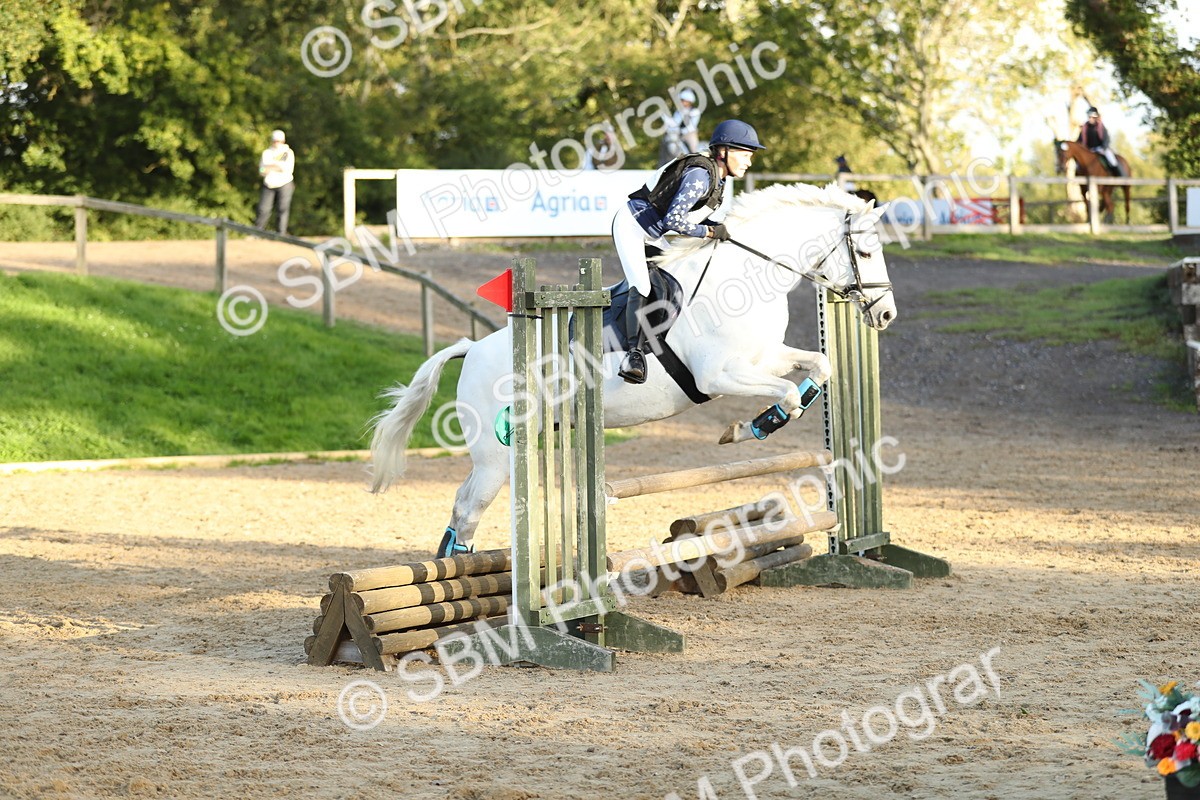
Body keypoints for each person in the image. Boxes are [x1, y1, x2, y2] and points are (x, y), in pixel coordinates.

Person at [613, 119, 765, 384]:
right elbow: (674, 220)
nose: (748, 162)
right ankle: (633, 355)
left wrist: (716, 227)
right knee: (644, 285)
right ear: (723, 152)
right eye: (744, 154)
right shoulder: (700, 175)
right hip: (632, 226)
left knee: (672, 281)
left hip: (654, 232)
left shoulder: (718, 179)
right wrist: (707, 232)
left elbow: (688, 218)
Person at [255, 129, 295, 235]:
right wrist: (272, 167)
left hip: (285, 183)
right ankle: (257, 232)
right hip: (269, 184)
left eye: (279, 141)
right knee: (263, 209)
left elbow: (284, 167)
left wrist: (269, 167)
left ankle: (281, 233)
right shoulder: (267, 153)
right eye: (275, 140)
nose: (277, 143)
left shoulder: (287, 152)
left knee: (282, 209)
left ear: (283, 141)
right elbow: (261, 170)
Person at [656, 88, 702, 167]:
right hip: (678, 134)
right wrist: (665, 118)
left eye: (683, 100)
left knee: (694, 150)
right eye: (681, 100)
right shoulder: (679, 111)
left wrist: (683, 129)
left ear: (689, 101)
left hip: (689, 134)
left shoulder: (694, 111)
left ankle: (697, 164)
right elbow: (674, 123)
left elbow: (692, 126)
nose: (681, 102)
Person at [1077, 107, 1122, 176]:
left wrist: (1103, 148)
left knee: (1112, 159)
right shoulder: (1084, 128)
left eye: (1092, 117)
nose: (1090, 118)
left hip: (1101, 149)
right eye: (1089, 117)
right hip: (1088, 150)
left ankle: (1118, 174)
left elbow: (1106, 139)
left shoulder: (1100, 126)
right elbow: (1079, 141)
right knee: (1078, 163)